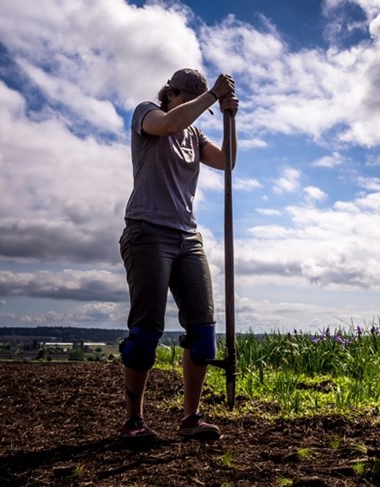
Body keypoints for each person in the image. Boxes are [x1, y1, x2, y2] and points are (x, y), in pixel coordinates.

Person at [118, 68, 238, 441]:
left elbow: (226, 161)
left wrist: (230, 120)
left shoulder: (195, 133)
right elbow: (169, 124)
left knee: (203, 333)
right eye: (190, 101)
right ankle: (133, 421)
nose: (198, 110)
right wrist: (213, 96)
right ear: (170, 93)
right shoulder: (148, 113)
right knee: (145, 334)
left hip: (187, 236)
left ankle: (190, 418)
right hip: (146, 231)